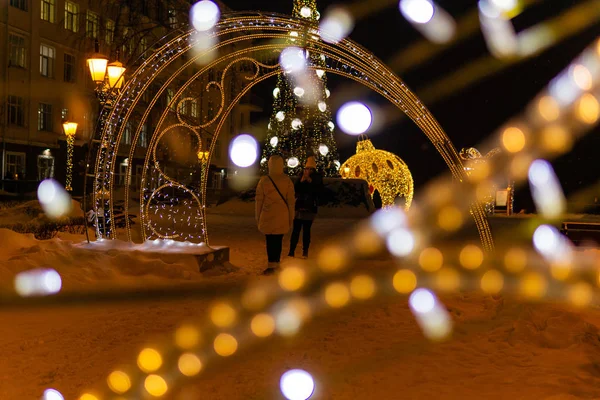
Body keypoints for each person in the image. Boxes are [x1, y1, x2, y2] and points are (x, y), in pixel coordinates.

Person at [255, 155, 295, 275]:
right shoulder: (287, 180)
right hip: (282, 215)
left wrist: (258, 217)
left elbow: (259, 201)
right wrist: (290, 217)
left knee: (270, 240)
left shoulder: (264, 180)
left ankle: (271, 264)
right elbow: (291, 201)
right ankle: (276, 263)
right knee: (278, 240)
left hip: (268, 214)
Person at [288, 156, 323, 259]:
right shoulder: (300, 177)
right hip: (299, 207)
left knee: (306, 231)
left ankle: (305, 252)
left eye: (310, 169)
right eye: (306, 169)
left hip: (309, 208)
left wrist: (310, 181)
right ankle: (291, 251)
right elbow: (295, 190)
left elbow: (318, 191)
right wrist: (301, 181)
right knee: (296, 230)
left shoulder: (317, 179)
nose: (308, 171)